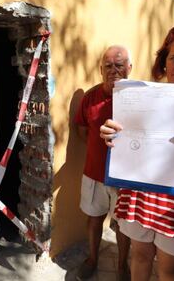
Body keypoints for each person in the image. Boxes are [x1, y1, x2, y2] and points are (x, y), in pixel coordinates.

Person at [100, 23, 174, 281]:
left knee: (168, 268)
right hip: (142, 194)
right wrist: (111, 133)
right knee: (138, 256)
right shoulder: (144, 95)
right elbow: (127, 134)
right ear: (165, 61)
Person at [73, 45, 132, 280]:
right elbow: (80, 128)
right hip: (94, 173)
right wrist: (98, 149)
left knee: (123, 226)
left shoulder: (139, 97)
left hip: (126, 177)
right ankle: (93, 258)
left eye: (119, 65)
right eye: (108, 65)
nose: (113, 70)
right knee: (94, 219)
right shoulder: (90, 97)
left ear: (129, 68)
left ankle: (121, 267)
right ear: (101, 69)